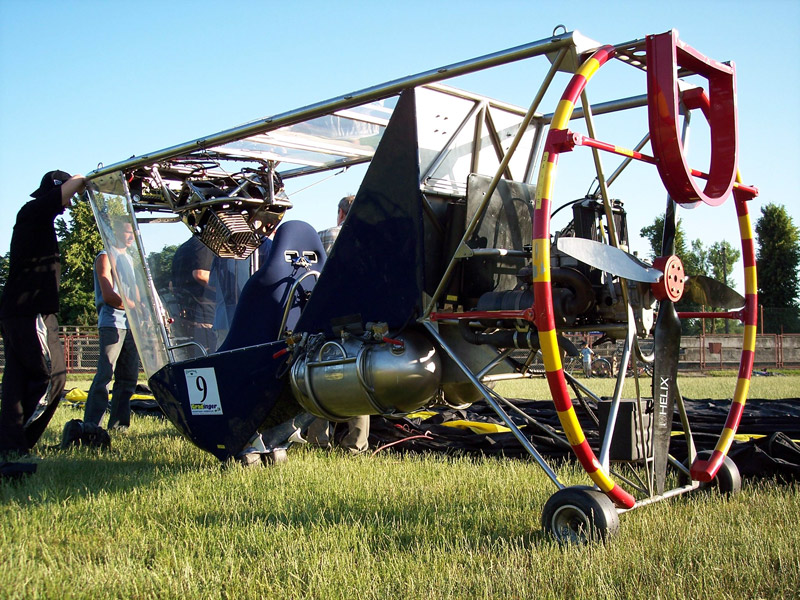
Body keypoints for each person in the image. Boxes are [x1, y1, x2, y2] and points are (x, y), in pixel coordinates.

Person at [0, 170, 86, 458]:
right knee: (52, 376)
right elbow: (73, 184)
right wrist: (83, 177)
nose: (67, 207)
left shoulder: (35, 219)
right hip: (31, 311)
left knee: (16, 381)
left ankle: (10, 446)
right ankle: (18, 442)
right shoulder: (35, 212)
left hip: (17, 311)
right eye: (65, 200)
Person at [306, 195, 370, 455]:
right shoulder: (374, 240)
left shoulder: (323, 236)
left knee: (319, 370)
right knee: (359, 374)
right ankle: (355, 444)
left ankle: (318, 438)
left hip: (326, 313)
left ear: (341, 214)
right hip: (361, 315)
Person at [83, 217, 141, 431]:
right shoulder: (105, 256)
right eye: (126, 232)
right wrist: (135, 306)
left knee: (128, 378)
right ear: (116, 232)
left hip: (131, 325)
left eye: (132, 233)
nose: (129, 237)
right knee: (105, 375)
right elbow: (109, 296)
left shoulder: (131, 260)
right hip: (112, 323)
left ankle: (119, 426)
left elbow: (137, 295)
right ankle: (91, 425)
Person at [171, 236, 216, 353]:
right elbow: (200, 274)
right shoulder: (204, 244)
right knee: (208, 361)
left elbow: (171, 285)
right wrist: (225, 290)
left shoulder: (183, 248)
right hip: (205, 316)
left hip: (187, 317)